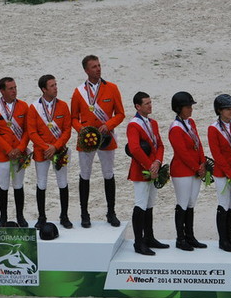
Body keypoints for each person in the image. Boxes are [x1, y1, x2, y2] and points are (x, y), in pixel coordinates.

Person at [70, 55, 125, 228]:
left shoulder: (112, 88)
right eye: (94, 67)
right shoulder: (78, 92)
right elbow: (73, 118)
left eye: (99, 65)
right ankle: (84, 213)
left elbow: (121, 114)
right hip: (86, 140)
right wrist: (83, 131)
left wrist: (108, 125)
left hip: (106, 138)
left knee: (108, 174)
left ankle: (111, 212)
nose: (98, 69)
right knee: (85, 174)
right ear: (86, 70)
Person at [27, 74, 73, 229]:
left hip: (59, 151)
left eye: (56, 85)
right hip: (42, 152)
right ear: (43, 89)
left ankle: (64, 216)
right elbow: (32, 132)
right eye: (52, 86)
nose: (55, 88)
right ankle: (41, 217)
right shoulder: (34, 108)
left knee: (62, 182)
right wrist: (46, 147)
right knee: (41, 183)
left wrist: (56, 146)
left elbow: (67, 130)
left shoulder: (63, 106)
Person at [126, 92, 169, 255]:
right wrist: (149, 165)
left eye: (150, 103)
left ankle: (149, 237)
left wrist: (157, 163)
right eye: (146, 104)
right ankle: (138, 242)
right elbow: (135, 148)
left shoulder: (153, 123)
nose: (150, 106)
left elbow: (160, 145)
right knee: (141, 204)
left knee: (150, 204)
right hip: (141, 170)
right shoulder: (134, 125)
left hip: (154, 169)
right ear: (138, 106)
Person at [0, 77, 30, 227]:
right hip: (2, 154)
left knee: (18, 185)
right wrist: (8, 149)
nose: (14, 91)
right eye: (10, 88)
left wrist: (20, 148)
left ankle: (20, 216)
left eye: (15, 88)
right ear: (2, 91)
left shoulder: (24, 106)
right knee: (3, 185)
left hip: (19, 153)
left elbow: (27, 130)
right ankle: (3, 216)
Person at [207, 94, 231, 253]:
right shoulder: (213, 128)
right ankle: (223, 240)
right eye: (227, 109)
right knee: (224, 204)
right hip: (222, 173)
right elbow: (217, 155)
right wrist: (230, 173)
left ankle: (230, 238)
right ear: (219, 111)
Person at [168, 91, 207, 251]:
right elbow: (181, 152)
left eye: (190, 106)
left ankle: (190, 236)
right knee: (183, 203)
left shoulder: (191, 123)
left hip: (195, 170)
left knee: (191, 203)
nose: (190, 109)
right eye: (187, 107)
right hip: (182, 171)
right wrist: (196, 167)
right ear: (179, 108)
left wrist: (203, 162)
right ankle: (180, 238)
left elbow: (199, 144)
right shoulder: (175, 128)